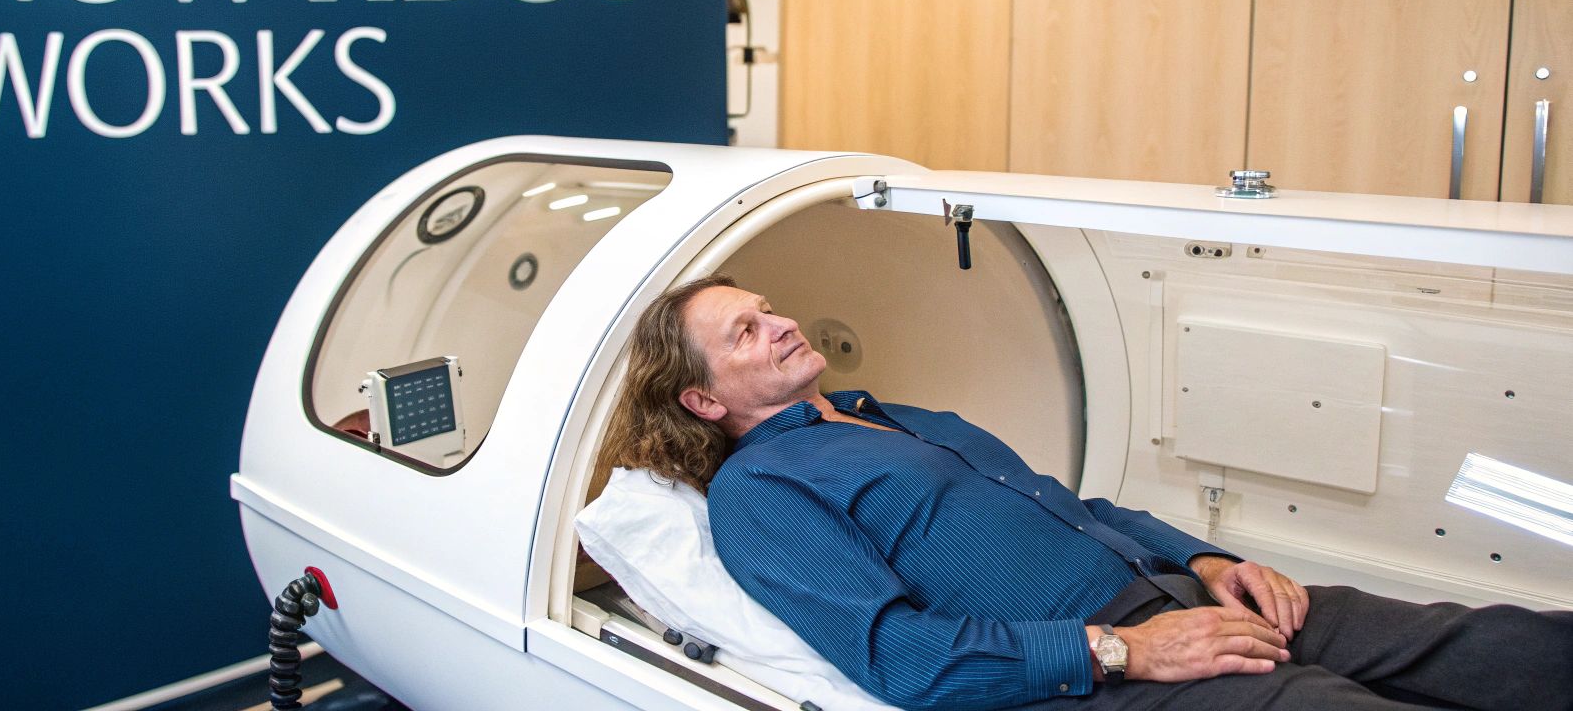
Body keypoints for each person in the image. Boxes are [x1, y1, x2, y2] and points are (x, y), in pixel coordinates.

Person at [599, 275, 1573, 711]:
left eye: (766, 309)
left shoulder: (885, 413)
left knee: (1484, 644)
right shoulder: (760, 491)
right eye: (743, 332)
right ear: (703, 400)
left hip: (1183, 596)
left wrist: (1206, 558)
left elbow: (1077, 508)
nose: (777, 324)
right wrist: (1129, 651)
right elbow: (900, 660)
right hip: (1105, 676)